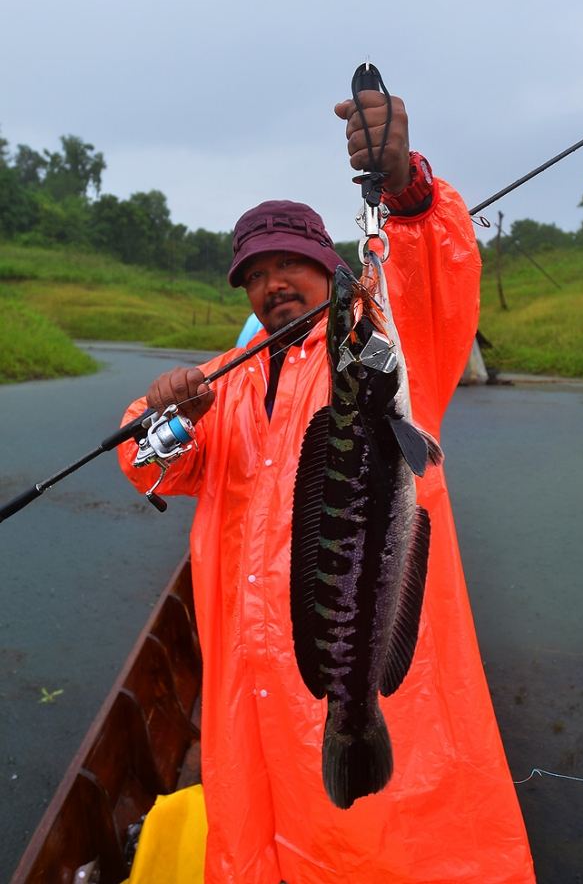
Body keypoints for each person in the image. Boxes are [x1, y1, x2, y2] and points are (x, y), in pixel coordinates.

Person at [118, 90, 535, 884]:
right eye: (257, 273)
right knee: (257, 842)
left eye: (293, 265)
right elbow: (147, 464)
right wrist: (165, 411)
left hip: (368, 675)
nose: (276, 284)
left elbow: (425, 271)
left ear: (330, 268)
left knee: (377, 848)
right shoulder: (225, 383)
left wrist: (404, 186)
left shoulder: (382, 344)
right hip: (251, 700)